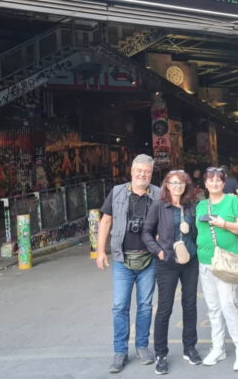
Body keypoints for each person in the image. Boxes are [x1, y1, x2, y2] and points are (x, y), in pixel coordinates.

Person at [96, 154, 160, 373]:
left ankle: (142, 346)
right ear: (132, 171)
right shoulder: (117, 192)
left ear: (151, 173)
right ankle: (120, 351)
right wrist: (100, 251)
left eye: (147, 172)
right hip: (122, 259)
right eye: (139, 171)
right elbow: (105, 221)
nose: (142, 175)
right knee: (119, 306)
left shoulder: (159, 194)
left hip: (148, 259)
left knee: (145, 306)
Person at [141, 170, 201, 374]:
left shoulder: (191, 206)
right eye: (173, 183)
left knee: (190, 304)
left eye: (181, 183)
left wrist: (190, 229)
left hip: (191, 261)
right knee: (165, 308)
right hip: (167, 261)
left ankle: (190, 348)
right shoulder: (159, 206)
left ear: (186, 186)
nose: (177, 186)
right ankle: (161, 353)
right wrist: (158, 252)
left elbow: (199, 233)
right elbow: (146, 232)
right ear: (167, 185)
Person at [195, 166, 238, 371]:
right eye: (210, 180)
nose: (214, 183)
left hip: (226, 261)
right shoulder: (201, 205)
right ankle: (218, 348)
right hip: (205, 262)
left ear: (224, 182)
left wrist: (222, 224)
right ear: (205, 183)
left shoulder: (232, 201)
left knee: (227, 305)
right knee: (213, 308)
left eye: (218, 180)